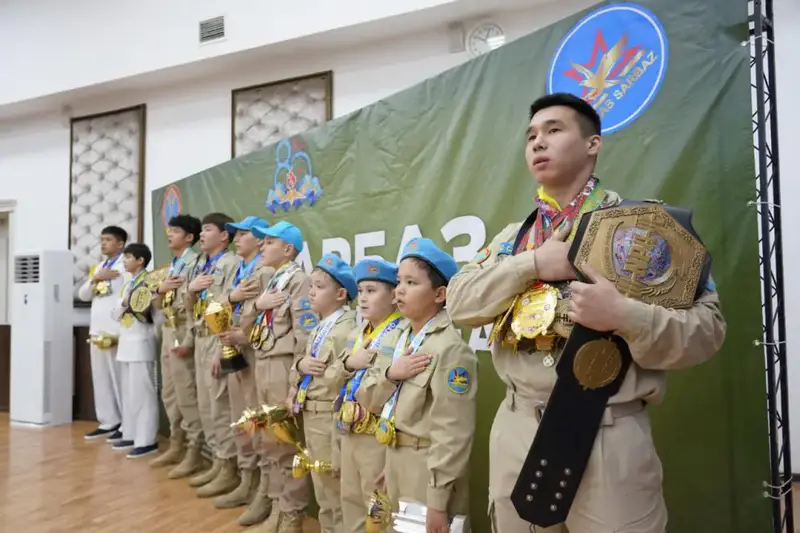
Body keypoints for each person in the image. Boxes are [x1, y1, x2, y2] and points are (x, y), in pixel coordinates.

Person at [446, 93, 727, 532]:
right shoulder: (513, 239)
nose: (538, 142)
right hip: (517, 430)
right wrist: (532, 264)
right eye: (531, 135)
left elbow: (708, 330)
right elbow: (459, 302)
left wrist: (626, 316)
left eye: (554, 130)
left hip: (605, 434)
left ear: (593, 143)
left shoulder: (647, 230)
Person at [370, 238, 478, 531]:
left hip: (427, 469)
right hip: (395, 459)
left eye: (411, 282)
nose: (399, 290)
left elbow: (452, 431)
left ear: (439, 293)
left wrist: (438, 500)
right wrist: (392, 374)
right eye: (398, 281)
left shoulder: (450, 349)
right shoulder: (397, 337)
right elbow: (370, 398)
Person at [249, 220, 314, 533]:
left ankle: (291, 515)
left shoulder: (299, 281)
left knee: (286, 444)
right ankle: (276, 506)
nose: (262, 246)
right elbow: (251, 323)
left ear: (288, 249)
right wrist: (257, 304)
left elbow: (305, 333)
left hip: (283, 365)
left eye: (269, 242)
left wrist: (295, 383)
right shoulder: (272, 281)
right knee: (267, 440)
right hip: (263, 362)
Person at [332, 258, 405, 533]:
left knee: (378, 509)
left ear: (394, 296)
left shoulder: (402, 333)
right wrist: (350, 363)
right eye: (360, 290)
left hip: (378, 437)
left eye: (372, 291)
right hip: (349, 429)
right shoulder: (356, 333)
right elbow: (333, 380)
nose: (362, 298)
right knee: (350, 501)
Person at [288, 253, 357, 533]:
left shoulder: (347, 329)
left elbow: (345, 380)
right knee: (324, 491)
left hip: (330, 417)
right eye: (311, 285)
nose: (311, 292)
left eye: (319, 286)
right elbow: (300, 369)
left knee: (336, 491)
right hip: (312, 413)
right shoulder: (319, 326)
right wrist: (300, 366)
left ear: (341, 294)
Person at [214, 216, 273, 519]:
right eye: (235, 234)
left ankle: (263, 490)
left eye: (244, 234)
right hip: (233, 349)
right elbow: (217, 307)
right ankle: (246, 479)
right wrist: (230, 297)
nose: (237, 238)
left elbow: (272, 325)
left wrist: (245, 337)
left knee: (257, 423)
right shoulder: (239, 270)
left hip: (255, 354)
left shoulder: (266, 273)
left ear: (261, 240)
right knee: (240, 420)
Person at [185, 213, 242, 498]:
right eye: (202, 229)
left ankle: (230, 467)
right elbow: (189, 304)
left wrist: (224, 349)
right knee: (206, 404)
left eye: (208, 229)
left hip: (217, 338)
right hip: (199, 335)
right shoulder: (198, 264)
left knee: (220, 405)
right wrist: (191, 291)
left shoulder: (231, 263)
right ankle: (218, 461)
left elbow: (233, 306)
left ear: (224, 235)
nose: (202, 234)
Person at [150, 214, 204, 475]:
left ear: (190, 237)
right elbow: (159, 304)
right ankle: (176, 444)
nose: (169, 235)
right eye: (169, 230)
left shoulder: (196, 263)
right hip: (168, 329)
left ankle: (194, 450)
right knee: (169, 393)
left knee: (186, 393)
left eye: (175, 231)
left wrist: (190, 339)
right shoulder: (171, 266)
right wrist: (160, 290)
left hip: (184, 329)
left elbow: (199, 307)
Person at [79, 225, 128, 443]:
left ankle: (126, 422)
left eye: (108, 239)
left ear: (120, 244)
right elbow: (83, 295)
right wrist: (95, 279)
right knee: (101, 378)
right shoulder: (99, 267)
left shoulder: (125, 266)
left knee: (119, 378)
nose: (103, 243)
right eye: (102, 239)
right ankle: (108, 420)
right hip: (96, 329)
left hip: (115, 330)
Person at [113, 243, 160, 459]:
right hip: (126, 342)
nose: (124, 261)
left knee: (143, 394)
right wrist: (124, 302)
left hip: (142, 340)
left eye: (128, 257)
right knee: (129, 393)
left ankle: (146, 439)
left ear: (140, 260)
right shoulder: (127, 283)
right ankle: (130, 432)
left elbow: (156, 314)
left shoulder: (150, 281)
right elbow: (115, 313)